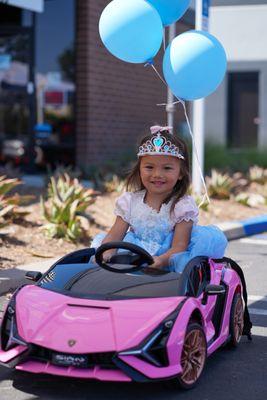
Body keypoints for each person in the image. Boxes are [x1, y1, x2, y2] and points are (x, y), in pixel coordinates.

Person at [91, 126, 227, 272]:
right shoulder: (129, 202)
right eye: (149, 167)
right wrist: (107, 253)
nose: (157, 174)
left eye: (167, 168)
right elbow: (114, 235)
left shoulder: (182, 207)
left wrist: (162, 260)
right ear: (139, 169)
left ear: (180, 173)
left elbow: (179, 247)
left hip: (168, 262)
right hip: (133, 257)